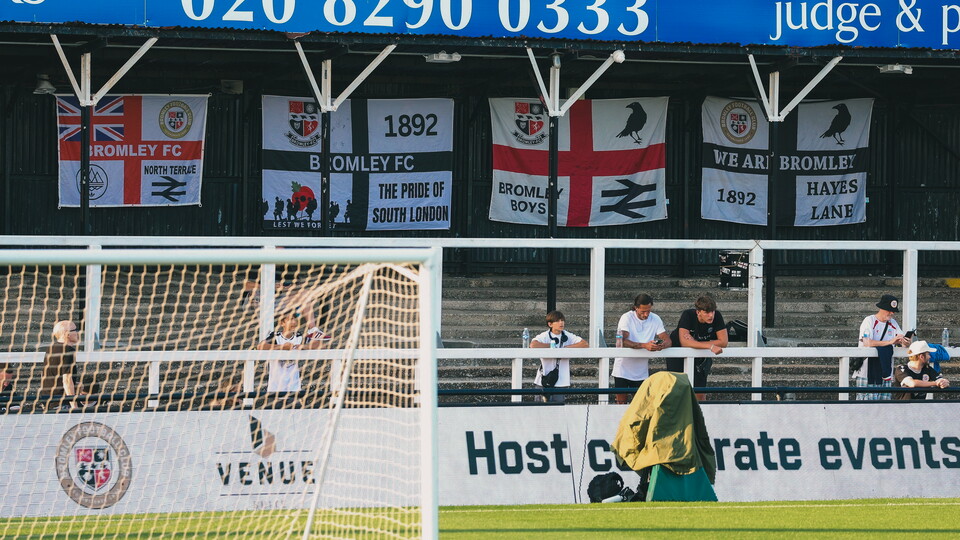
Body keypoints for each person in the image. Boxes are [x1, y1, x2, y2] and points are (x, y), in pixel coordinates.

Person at [257, 310, 329, 408]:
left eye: (295, 319)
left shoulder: (299, 337)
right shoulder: (275, 336)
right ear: (282, 323)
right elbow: (260, 346)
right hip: (275, 390)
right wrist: (283, 347)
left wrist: (305, 347)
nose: (294, 322)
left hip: (294, 390)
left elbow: (322, 345)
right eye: (290, 319)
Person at [612, 294, 672, 404]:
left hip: (641, 372)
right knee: (620, 404)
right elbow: (621, 341)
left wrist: (661, 345)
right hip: (622, 369)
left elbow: (667, 339)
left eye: (648, 311)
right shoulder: (626, 317)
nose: (646, 314)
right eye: (643, 312)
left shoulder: (655, 318)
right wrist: (644, 345)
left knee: (641, 406)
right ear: (636, 308)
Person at [669, 296, 728, 400]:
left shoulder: (717, 316)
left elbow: (723, 342)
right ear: (698, 312)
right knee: (677, 389)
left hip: (700, 355)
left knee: (700, 392)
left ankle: (700, 414)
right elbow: (684, 342)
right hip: (677, 353)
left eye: (712, 312)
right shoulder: (688, 314)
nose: (711, 315)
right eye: (706, 312)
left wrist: (695, 342)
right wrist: (710, 345)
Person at [855, 294, 910, 401]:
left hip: (885, 372)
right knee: (866, 404)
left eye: (893, 311)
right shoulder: (869, 320)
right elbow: (867, 342)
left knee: (884, 405)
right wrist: (890, 342)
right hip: (867, 372)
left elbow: (901, 341)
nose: (891, 313)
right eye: (889, 310)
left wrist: (906, 342)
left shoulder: (893, 323)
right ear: (881, 308)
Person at [529, 310, 589, 404]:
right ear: (550, 324)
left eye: (562, 320)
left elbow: (584, 344)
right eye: (557, 321)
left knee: (558, 411)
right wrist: (551, 346)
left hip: (561, 381)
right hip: (543, 380)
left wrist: (565, 348)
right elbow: (533, 345)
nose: (561, 323)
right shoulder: (544, 336)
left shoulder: (567, 335)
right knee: (539, 410)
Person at [41, 320, 81, 411]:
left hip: (48, 401)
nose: (78, 333)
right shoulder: (67, 350)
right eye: (75, 330)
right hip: (61, 403)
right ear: (67, 334)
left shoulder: (51, 348)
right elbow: (66, 380)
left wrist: (76, 384)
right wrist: (74, 405)